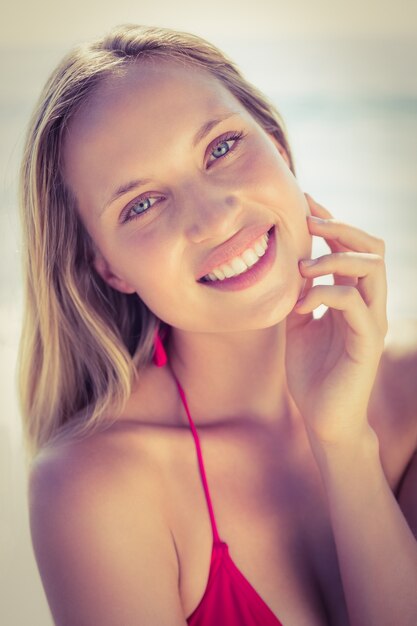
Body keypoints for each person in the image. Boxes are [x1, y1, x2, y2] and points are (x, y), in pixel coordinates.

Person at [18, 23, 417, 626]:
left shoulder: (410, 393)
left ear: (278, 146)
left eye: (222, 147)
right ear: (107, 267)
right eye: (141, 204)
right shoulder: (96, 488)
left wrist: (345, 446)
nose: (214, 216)